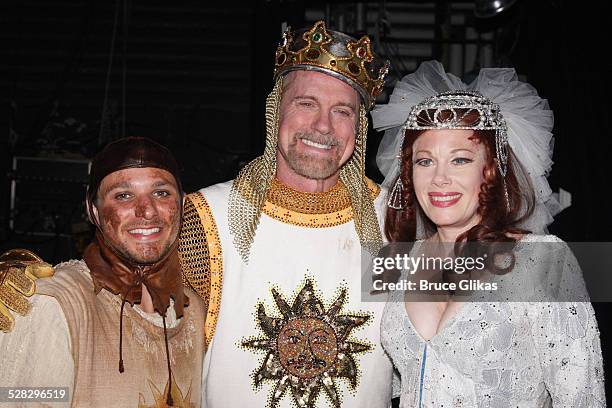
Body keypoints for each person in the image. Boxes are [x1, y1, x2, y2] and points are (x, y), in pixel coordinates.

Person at [176, 21, 394, 407]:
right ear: (276, 110)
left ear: (359, 129)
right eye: (306, 103)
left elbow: (499, 299)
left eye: (342, 111)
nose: (323, 126)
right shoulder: (204, 218)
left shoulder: (394, 220)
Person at [371, 61, 605, 406]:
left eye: (460, 159)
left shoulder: (541, 262)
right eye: (424, 161)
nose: (439, 178)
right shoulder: (396, 260)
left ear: (490, 170)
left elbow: (582, 397)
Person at [0, 137, 206, 407]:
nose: (146, 210)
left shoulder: (195, 312)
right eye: (123, 195)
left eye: (161, 193)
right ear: (93, 211)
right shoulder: (56, 305)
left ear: (181, 205)